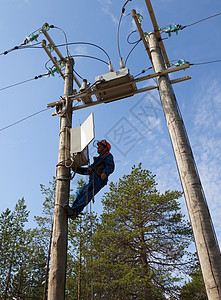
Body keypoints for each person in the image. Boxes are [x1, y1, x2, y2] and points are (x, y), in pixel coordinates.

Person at [67, 139, 115, 218]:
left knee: (88, 193)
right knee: (80, 192)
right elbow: (88, 170)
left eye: (100, 146)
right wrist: (76, 169)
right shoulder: (98, 160)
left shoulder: (108, 155)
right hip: (93, 179)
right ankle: (73, 210)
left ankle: (75, 210)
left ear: (105, 148)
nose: (98, 147)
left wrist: (105, 173)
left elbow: (110, 166)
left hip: (99, 179)